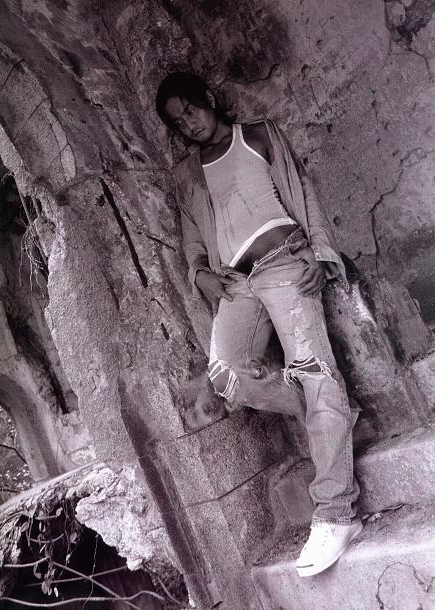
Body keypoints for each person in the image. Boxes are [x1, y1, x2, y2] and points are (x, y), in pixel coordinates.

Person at [156, 72, 362, 577]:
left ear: (209, 100)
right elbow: (191, 238)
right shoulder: (187, 175)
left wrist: (320, 251)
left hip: (287, 262)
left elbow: (303, 192)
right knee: (225, 374)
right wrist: (198, 273)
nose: (189, 124)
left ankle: (336, 513)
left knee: (312, 371)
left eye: (192, 110)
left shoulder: (259, 135)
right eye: (178, 122)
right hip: (236, 283)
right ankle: (333, 412)